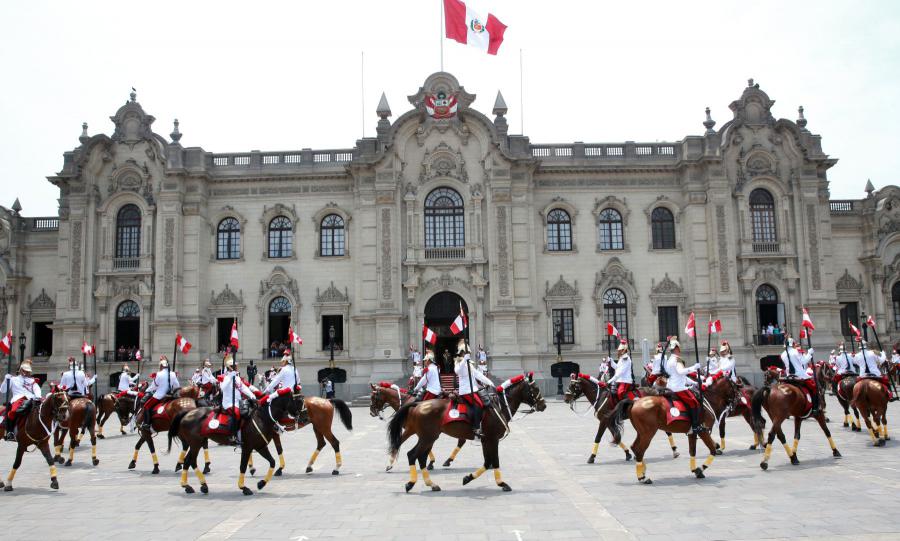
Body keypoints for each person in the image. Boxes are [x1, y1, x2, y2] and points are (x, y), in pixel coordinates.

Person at [454, 339, 494, 438]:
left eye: (469, 353)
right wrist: (464, 360)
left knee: (484, 402)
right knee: (479, 404)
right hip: (466, 390)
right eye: (467, 353)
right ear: (462, 353)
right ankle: (475, 428)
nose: (469, 354)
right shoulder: (458, 362)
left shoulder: (469, 363)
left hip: (473, 389)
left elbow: (477, 374)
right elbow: (457, 371)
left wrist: (489, 382)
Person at [664, 338, 703, 434]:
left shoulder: (669, 360)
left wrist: (694, 383)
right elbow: (681, 372)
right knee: (695, 403)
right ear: (677, 348)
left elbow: (679, 375)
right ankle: (695, 427)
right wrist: (694, 367)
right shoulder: (677, 359)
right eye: (679, 348)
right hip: (679, 388)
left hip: (671, 386)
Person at [217, 353, 257, 444]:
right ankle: (232, 435)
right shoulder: (225, 377)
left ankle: (244, 433)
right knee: (237, 413)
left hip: (237, 401)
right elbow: (222, 388)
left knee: (249, 410)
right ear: (231, 367)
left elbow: (242, 387)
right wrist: (230, 376)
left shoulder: (237, 377)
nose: (237, 367)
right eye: (235, 366)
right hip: (228, 403)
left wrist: (252, 395)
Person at [1, 361, 41, 441]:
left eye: (28, 371)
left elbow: (37, 389)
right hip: (18, 399)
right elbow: (3, 390)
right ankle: (10, 432)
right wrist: (6, 380)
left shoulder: (32, 380)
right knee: (13, 411)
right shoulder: (13, 379)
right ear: (21, 370)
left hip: (31, 399)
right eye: (24, 370)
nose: (26, 372)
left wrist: (38, 396)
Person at [781, 337, 820, 416]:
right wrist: (809, 353)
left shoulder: (782, 354)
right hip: (800, 376)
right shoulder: (796, 352)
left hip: (789, 377)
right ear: (793, 344)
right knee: (814, 388)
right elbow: (804, 361)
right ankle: (815, 408)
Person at [140, 356, 181, 431]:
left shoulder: (158, 374)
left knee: (146, 406)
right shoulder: (173, 374)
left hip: (159, 395)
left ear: (161, 366)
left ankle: (147, 424)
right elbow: (177, 386)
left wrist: (147, 390)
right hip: (170, 395)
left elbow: (154, 386)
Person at [602, 340, 636, 404]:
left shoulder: (626, 359)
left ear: (623, 350)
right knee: (612, 391)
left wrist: (609, 381)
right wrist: (611, 361)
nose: (618, 351)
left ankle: (632, 402)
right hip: (620, 380)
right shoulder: (621, 358)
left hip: (625, 380)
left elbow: (620, 373)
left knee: (620, 393)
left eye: (619, 350)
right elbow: (617, 368)